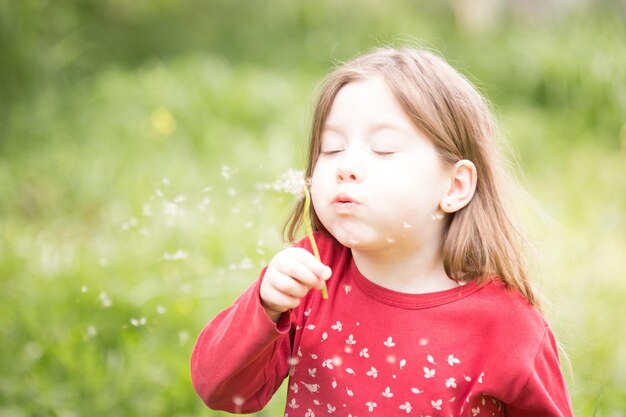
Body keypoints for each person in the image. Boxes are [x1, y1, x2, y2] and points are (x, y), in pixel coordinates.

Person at [190, 47, 574, 416]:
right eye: (331, 147)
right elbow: (221, 390)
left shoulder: (505, 326)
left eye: (384, 148)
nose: (346, 166)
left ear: (455, 187)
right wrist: (265, 306)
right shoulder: (309, 280)